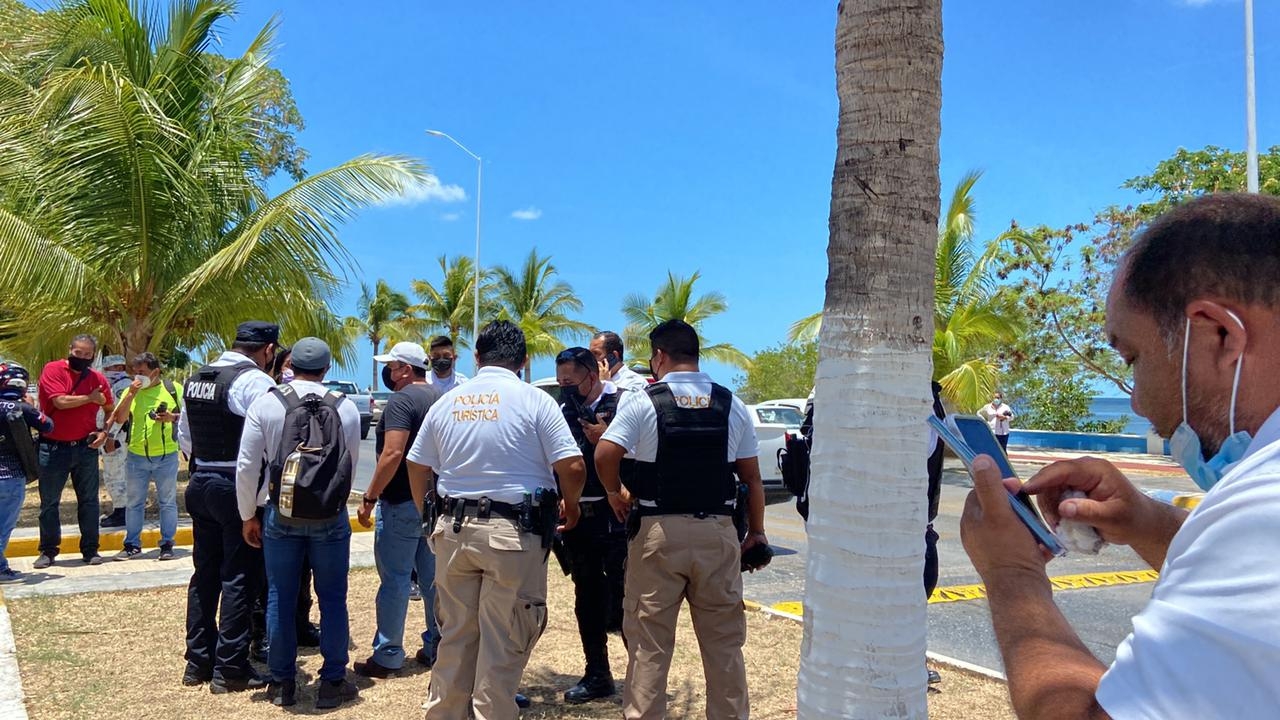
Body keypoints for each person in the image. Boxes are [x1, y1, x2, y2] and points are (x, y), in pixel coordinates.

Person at [960, 193, 1280, 718]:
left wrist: (1012, 573)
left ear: (1220, 333)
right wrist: (1146, 522)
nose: (1136, 399)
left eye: (1133, 356)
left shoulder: (1263, 510)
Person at [406, 320, 586, 720]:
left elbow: (417, 465)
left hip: (452, 532)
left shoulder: (448, 401)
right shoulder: (534, 401)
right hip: (512, 534)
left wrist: (427, 514)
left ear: (476, 357)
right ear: (523, 361)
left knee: (454, 638)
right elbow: (572, 465)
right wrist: (570, 506)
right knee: (503, 644)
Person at [594, 319, 769, 720]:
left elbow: (606, 454)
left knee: (649, 646)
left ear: (659, 356)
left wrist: (614, 493)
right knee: (724, 646)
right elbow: (752, 478)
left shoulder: (643, 401)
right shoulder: (732, 403)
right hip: (717, 532)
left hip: (658, 532)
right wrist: (756, 532)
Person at [237, 337, 362, 708]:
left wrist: (248, 514)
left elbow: (247, 466)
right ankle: (333, 681)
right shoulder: (346, 408)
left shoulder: (269, 403)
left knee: (280, 595)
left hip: (281, 512)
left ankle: (281, 683)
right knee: (333, 597)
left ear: (290, 366)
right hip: (330, 515)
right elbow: (349, 466)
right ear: (327, 368)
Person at [177, 321, 279, 692]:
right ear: (268, 350)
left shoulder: (197, 377)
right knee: (239, 576)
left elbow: (184, 437)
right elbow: (271, 435)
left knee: (204, 574)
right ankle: (231, 667)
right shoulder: (253, 382)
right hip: (235, 486)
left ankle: (198, 661)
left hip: (200, 481)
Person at [354, 341, 442, 678]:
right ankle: (437, 646)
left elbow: (393, 454)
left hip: (401, 503)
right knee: (434, 581)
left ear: (406, 368)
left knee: (395, 580)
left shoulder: (402, 401)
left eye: (392, 367)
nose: (389, 373)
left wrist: (370, 496)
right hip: (434, 503)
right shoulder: (441, 398)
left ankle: (388, 654)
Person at [552, 346, 629, 703]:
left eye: (571, 380)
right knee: (587, 599)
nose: (566, 387)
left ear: (592, 375)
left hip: (617, 519)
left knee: (626, 601)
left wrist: (607, 439)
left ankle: (642, 677)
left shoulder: (625, 402)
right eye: (561, 381)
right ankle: (597, 673)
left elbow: (644, 452)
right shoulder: (562, 411)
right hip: (580, 520)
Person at [34, 334, 113, 568]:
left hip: (85, 447)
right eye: (78, 353)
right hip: (52, 447)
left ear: (93, 356)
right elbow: (60, 402)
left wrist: (105, 432)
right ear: (70, 350)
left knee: (89, 501)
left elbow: (110, 408)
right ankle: (48, 551)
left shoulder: (97, 378)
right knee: (49, 502)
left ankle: (90, 550)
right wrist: (89, 398)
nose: (82, 357)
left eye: (88, 355)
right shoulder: (53, 369)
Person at [109, 353, 182, 561]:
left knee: (167, 501)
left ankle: (167, 543)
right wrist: (130, 395)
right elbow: (120, 418)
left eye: (142, 373)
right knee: (134, 502)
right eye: (135, 373)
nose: (138, 377)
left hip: (166, 455)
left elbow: (187, 416)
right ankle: (132, 544)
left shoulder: (173, 389)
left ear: (155, 372)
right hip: (136, 456)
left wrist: (171, 417)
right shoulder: (130, 391)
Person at [0, 364, 53, 583]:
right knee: (3, 526)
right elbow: (48, 425)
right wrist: (30, 407)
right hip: (11, 477)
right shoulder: (22, 407)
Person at [98, 354, 133, 528]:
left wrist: (109, 436)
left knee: (116, 475)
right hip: (112, 436)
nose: (106, 373)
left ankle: (122, 511)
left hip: (117, 437)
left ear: (119, 368)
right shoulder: (116, 385)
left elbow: (119, 415)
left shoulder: (122, 386)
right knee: (114, 474)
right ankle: (122, 510)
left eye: (108, 369)